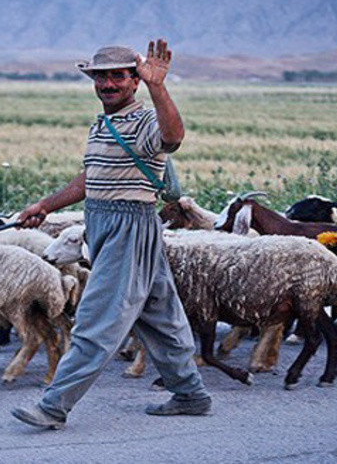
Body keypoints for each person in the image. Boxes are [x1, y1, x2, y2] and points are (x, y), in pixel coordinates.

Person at [11, 39, 211, 430]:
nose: (108, 84)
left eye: (118, 76)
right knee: (159, 315)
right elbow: (91, 178)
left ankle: (54, 406)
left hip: (128, 227)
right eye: (101, 77)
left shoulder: (144, 120)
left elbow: (172, 138)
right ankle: (190, 393)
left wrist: (158, 87)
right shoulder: (103, 124)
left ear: (135, 81)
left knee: (96, 318)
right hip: (107, 224)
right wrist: (46, 206)